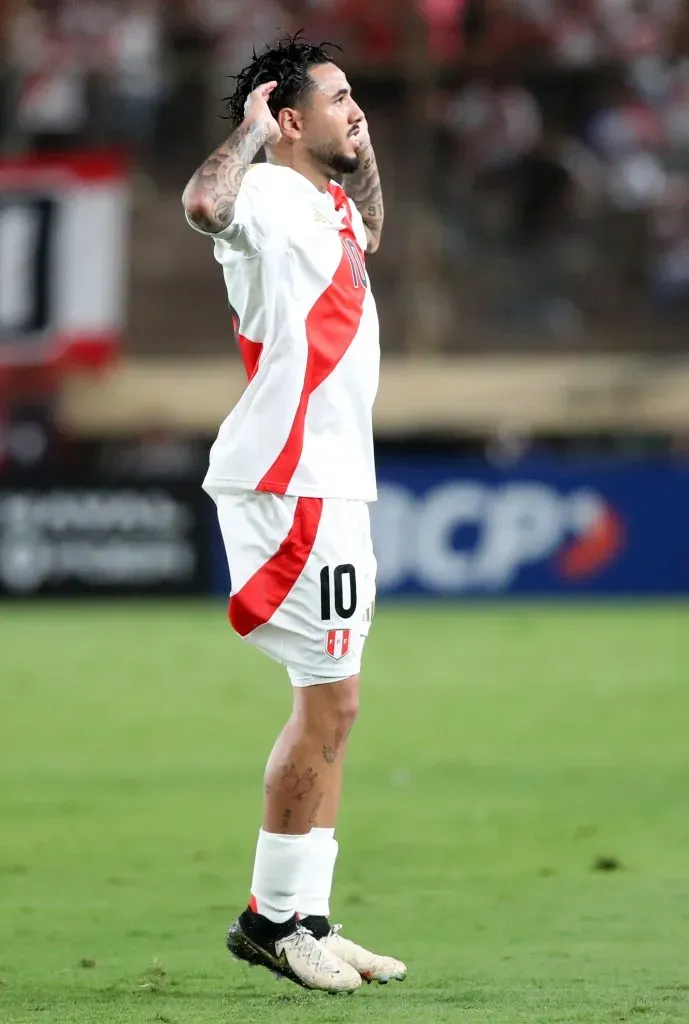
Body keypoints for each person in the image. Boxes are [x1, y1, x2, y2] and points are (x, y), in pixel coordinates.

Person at [182, 36, 406, 994]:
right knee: (330, 702)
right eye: (339, 98)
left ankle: (305, 912)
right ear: (285, 119)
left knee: (337, 707)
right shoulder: (266, 196)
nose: (355, 108)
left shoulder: (323, 205)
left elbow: (371, 230)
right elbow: (203, 204)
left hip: (332, 482)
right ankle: (269, 921)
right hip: (290, 482)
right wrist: (242, 134)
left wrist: (357, 138)